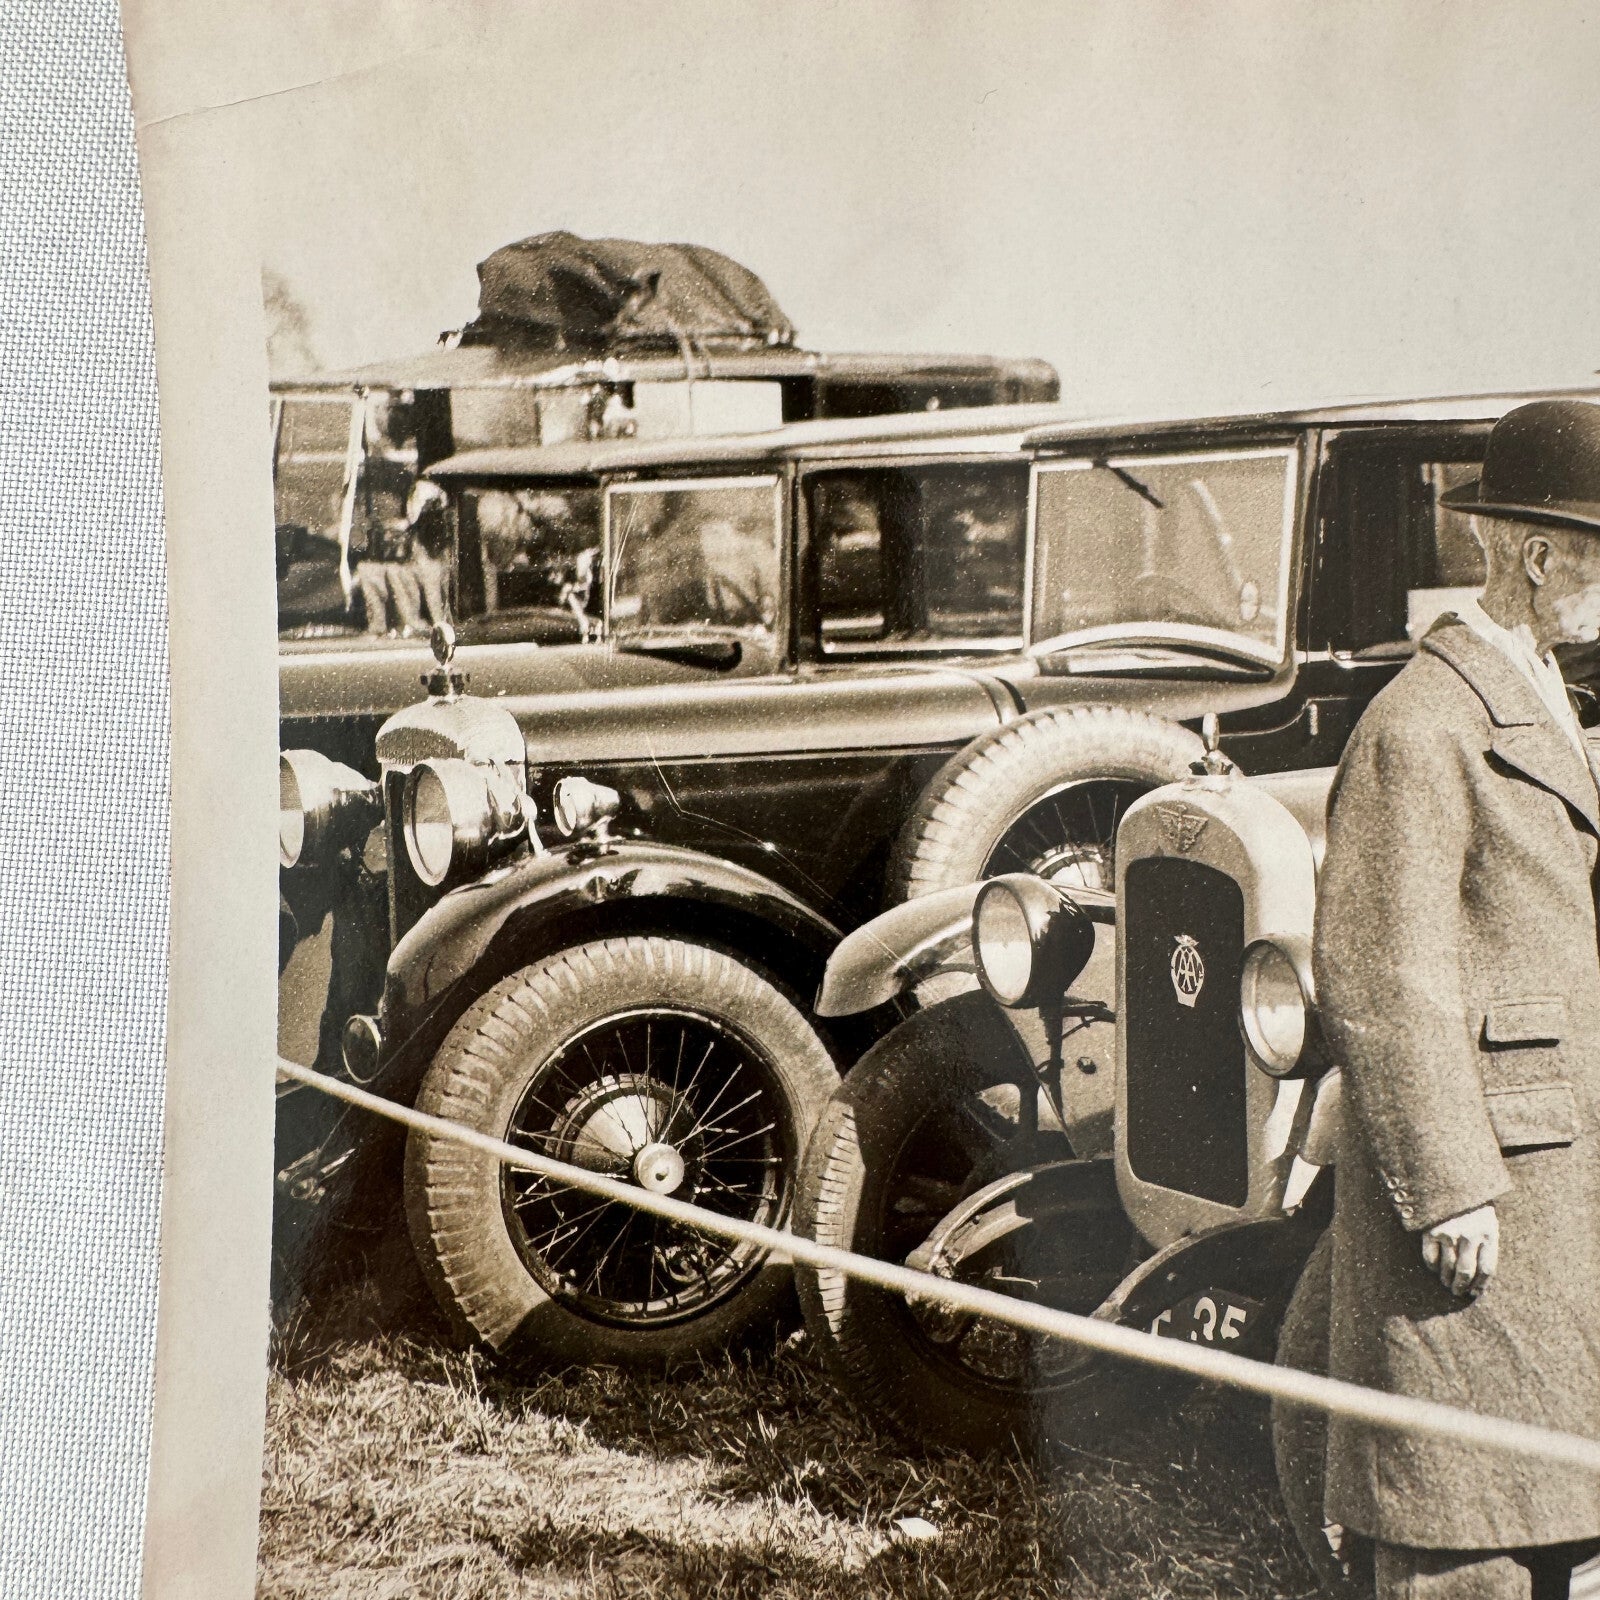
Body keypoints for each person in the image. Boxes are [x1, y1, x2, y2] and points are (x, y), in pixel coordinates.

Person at [1313, 399, 1600, 1600]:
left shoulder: (1535, 690)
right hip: (1486, 1185)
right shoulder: (1422, 724)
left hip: (1548, 1162)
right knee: (1456, 1515)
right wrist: (1447, 1185)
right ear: (1539, 557)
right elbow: (1384, 971)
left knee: (1542, 1488)